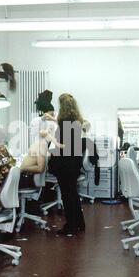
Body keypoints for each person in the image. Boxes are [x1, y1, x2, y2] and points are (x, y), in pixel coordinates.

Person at [48, 93, 85, 236]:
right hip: (74, 163)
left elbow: (61, 146)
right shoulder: (76, 121)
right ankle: (79, 223)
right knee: (73, 194)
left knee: (67, 196)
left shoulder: (63, 125)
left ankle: (70, 226)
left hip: (65, 165)